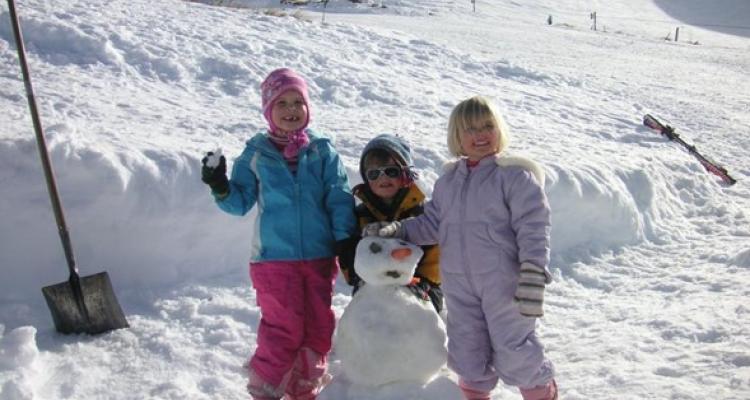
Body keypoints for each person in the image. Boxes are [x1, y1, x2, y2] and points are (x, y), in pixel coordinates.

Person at [369, 96, 557, 400]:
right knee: (467, 351)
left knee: (515, 349)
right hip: (460, 286)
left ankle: (541, 392)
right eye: (470, 129)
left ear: (499, 130)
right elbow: (432, 224)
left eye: (487, 126)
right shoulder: (448, 182)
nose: (480, 135)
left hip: (505, 284)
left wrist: (533, 271)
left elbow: (533, 227)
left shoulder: (513, 176)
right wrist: (399, 230)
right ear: (457, 137)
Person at [200, 68, 356, 400]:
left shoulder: (322, 150)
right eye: (281, 102)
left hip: (318, 256)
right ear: (268, 110)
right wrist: (220, 186)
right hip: (274, 259)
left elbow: (339, 197)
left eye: (298, 101)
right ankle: (266, 388)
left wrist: (344, 240)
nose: (291, 109)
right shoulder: (257, 152)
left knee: (318, 326)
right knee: (284, 328)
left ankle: (304, 387)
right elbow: (239, 202)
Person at [337, 134, 443, 313]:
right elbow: (350, 257)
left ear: (405, 174)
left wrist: (424, 284)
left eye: (391, 171)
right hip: (372, 288)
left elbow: (436, 256)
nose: (383, 178)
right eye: (374, 173)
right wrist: (359, 279)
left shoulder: (421, 213)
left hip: (421, 288)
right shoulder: (361, 215)